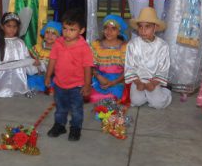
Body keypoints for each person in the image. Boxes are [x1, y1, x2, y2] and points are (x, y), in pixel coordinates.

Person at [45, 8, 94, 141]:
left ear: (81, 30)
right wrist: (48, 76)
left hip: (77, 86)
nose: (67, 32)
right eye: (65, 28)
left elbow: (87, 67)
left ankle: (75, 128)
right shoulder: (58, 43)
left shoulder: (84, 48)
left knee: (76, 109)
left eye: (72, 30)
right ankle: (59, 125)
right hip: (59, 84)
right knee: (60, 108)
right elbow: (52, 60)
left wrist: (87, 85)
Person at [0, 12, 38, 98]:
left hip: (18, 73)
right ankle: (2, 87)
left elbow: (26, 56)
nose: (12, 29)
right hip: (3, 73)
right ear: (2, 27)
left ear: (18, 28)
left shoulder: (20, 43)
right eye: (9, 26)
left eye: (14, 27)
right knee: (2, 85)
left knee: (21, 84)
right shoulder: (0, 43)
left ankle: (19, 87)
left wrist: (32, 62)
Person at [124, 7, 172, 109]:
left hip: (153, 80)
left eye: (147, 27)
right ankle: (147, 96)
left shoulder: (162, 46)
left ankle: (165, 91)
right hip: (138, 79)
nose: (143, 30)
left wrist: (153, 83)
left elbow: (163, 69)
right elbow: (129, 67)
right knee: (136, 101)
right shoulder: (132, 45)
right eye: (140, 27)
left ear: (155, 28)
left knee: (158, 104)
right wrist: (137, 82)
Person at [90, 15, 129, 104]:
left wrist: (113, 82)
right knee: (92, 97)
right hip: (100, 78)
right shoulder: (97, 45)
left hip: (118, 80)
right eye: (106, 28)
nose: (109, 31)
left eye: (113, 28)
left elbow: (128, 70)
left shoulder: (124, 47)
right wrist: (98, 76)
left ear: (119, 31)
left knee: (114, 96)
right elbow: (91, 65)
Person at [28, 21, 62, 93]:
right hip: (38, 73)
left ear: (58, 36)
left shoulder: (59, 50)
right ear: (44, 33)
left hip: (52, 74)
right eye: (47, 32)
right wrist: (34, 61)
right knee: (31, 79)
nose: (49, 36)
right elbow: (30, 55)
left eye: (53, 33)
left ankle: (46, 87)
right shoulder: (39, 46)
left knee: (56, 82)